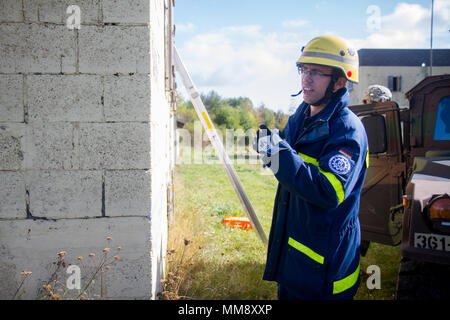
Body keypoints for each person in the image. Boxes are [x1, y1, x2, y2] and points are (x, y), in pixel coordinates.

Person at [254, 35, 369, 300]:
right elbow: (287, 162)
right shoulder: (302, 116)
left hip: (324, 273)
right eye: (304, 70)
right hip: (294, 261)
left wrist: (276, 151)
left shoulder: (347, 130)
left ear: (340, 81)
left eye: (317, 72)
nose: (306, 78)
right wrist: (268, 148)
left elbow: (328, 191)